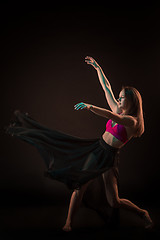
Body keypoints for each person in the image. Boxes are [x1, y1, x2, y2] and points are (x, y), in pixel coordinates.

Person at [5, 56, 153, 232]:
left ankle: (143, 213)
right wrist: (97, 67)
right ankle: (68, 223)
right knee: (79, 185)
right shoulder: (118, 108)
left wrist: (91, 107)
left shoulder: (132, 121)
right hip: (98, 149)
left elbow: (113, 117)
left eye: (122, 98)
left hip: (109, 157)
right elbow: (106, 88)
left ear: (131, 101)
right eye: (119, 98)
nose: (118, 100)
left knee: (114, 201)